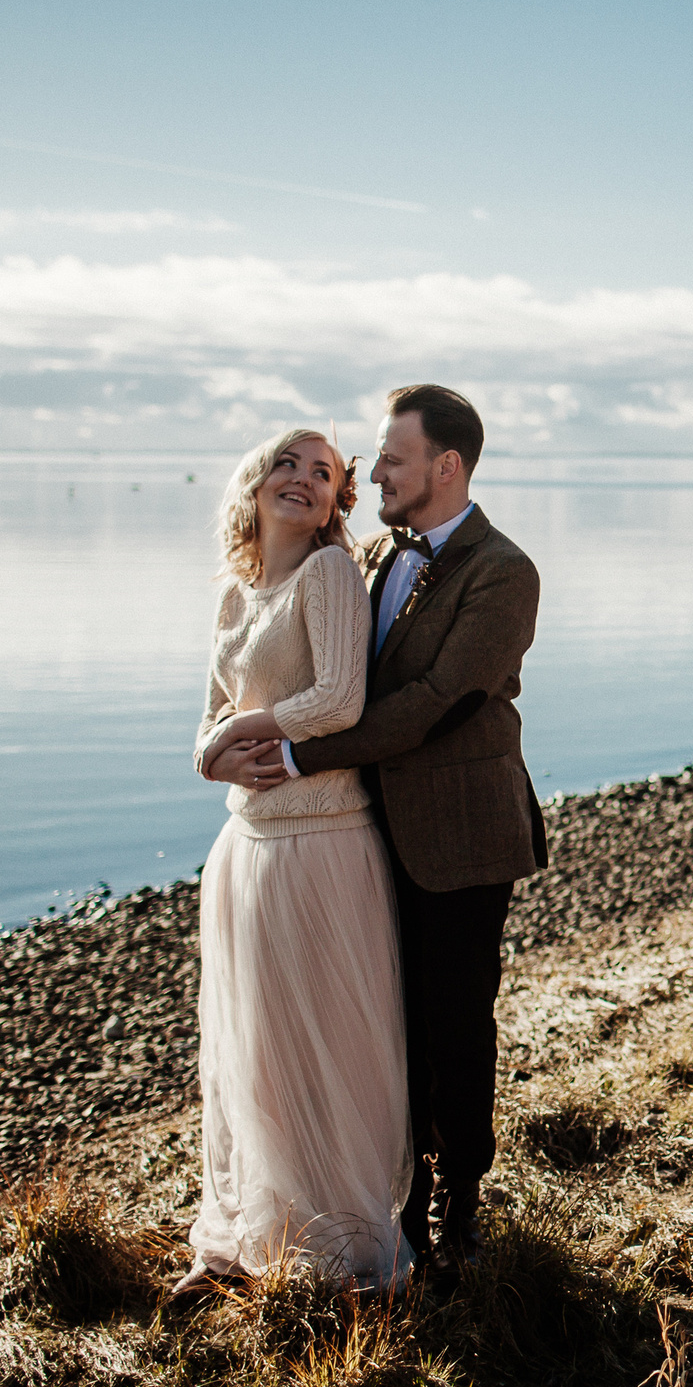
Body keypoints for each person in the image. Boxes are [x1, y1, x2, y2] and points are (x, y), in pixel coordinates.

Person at [218, 384, 547, 1274]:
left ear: (447, 465)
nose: (378, 473)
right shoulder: (366, 557)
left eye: (393, 458)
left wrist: (293, 758)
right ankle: (378, 1194)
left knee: (453, 1020)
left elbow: (434, 704)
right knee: (379, 1021)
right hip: (359, 834)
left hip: (459, 834)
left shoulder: (504, 571)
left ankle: (458, 1204)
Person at [180, 429, 413, 1295]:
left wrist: (246, 731)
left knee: (327, 1049)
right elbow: (204, 722)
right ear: (253, 484)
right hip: (243, 848)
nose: (303, 480)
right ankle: (247, 1241)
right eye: (287, 463)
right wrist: (212, 755)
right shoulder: (238, 594)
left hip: (319, 841)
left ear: (334, 504)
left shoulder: (329, 576)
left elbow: (340, 699)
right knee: (255, 1053)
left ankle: (344, 1252)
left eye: (323, 474)